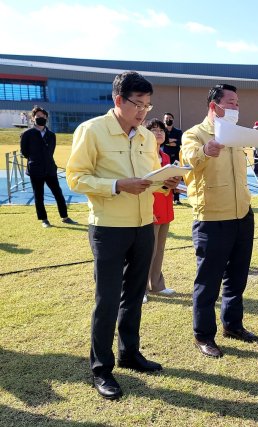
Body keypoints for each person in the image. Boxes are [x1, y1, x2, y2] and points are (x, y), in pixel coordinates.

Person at [66, 71, 181, 400]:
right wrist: (116, 185)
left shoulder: (146, 136)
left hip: (144, 225)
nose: (144, 111)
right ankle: (102, 368)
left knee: (133, 296)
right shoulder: (91, 131)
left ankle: (129, 352)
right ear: (118, 100)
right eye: (138, 104)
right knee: (107, 299)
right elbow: (76, 178)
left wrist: (166, 183)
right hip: (108, 227)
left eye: (148, 105)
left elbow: (149, 179)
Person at [180, 83, 258, 359]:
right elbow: (189, 160)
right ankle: (203, 335)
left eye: (238, 103)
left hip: (241, 215)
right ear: (214, 106)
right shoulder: (195, 134)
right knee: (208, 281)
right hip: (212, 217)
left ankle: (233, 324)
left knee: (237, 277)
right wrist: (205, 151)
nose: (236, 107)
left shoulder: (236, 135)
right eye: (231, 102)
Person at [20, 106, 77, 228]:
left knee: (58, 193)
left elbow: (51, 150)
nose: (41, 118)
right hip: (35, 170)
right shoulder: (27, 134)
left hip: (50, 169)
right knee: (38, 195)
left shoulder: (51, 135)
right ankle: (44, 220)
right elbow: (24, 152)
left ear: (46, 117)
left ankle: (65, 217)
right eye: (38, 116)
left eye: (43, 116)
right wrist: (35, 160)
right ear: (33, 118)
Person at [145, 118, 176, 302]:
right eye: (154, 130)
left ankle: (156, 285)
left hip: (165, 206)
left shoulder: (165, 157)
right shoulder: (143, 155)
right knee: (147, 251)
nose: (159, 133)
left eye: (162, 131)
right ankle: (141, 290)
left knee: (160, 249)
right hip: (150, 207)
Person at [163, 112, 183, 204]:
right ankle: (167, 198)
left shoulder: (178, 132)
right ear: (164, 120)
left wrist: (170, 141)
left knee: (176, 177)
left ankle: (176, 198)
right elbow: (164, 142)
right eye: (166, 118)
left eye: (170, 118)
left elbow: (180, 142)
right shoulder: (162, 131)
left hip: (176, 157)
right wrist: (173, 141)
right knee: (166, 177)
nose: (168, 120)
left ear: (173, 119)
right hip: (165, 157)